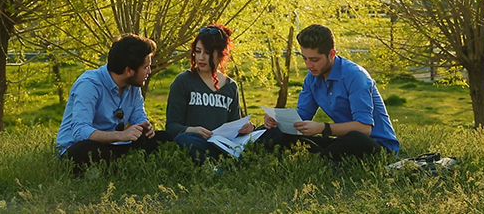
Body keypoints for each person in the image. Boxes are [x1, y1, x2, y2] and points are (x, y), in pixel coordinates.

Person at [263, 24, 399, 161]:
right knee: (272, 133)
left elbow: (364, 128)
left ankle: (320, 160)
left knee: (355, 139)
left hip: (376, 146)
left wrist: (323, 128)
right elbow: (301, 118)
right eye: (305, 58)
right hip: (342, 142)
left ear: (331, 54)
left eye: (315, 60)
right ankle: (323, 158)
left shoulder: (355, 76)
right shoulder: (312, 79)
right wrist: (277, 121)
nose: (308, 65)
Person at [56, 33, 172, 174]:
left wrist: (145, 128)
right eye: (146, 67)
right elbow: (80, 131)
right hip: (82, 148)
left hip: (115, 146)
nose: (149, 71)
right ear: (128, 70)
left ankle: (122, 169)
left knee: (165, 138)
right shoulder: (89, 84)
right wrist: (121, 135)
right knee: (84, 150)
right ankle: (122, 169)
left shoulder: (133, 85)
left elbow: (139, 118)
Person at [166, 24, 256, 163]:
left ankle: (226, 163)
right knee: (184, 140)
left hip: (223, 145)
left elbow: (234, 126)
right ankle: (221, 165)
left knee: (264, 135)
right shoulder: (183, 81)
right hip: (195, 142)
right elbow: (171, 126)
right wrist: (192, 130)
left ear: (221, 55)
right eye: (198, 51)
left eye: (207, 53)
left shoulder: (231, 86)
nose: (201, 58)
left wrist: (246, 128)